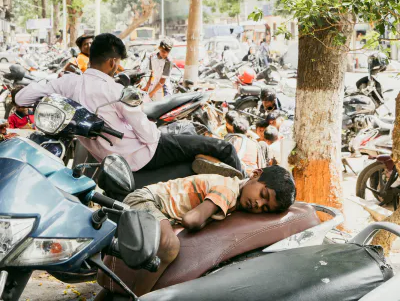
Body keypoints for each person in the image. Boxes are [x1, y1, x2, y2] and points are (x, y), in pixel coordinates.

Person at [16, 33, 243, 178]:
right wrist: (160, 135)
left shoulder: (67, 83)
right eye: (119, 63)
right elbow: (148, 135)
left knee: (185, 137)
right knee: (224, 148)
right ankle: (242, 186)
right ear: (113, 62)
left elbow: (21, 99)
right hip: (142, 155)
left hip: (110, 162)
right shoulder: (115, 91)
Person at [124, 165, 296, 295]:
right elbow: (191, 220)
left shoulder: (237, 195)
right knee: (169, 246)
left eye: (265, 209)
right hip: (146, 201)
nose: (258, 204)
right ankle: (138, 295)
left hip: (158, 211)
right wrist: (204, 222)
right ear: (256, 174)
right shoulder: (228, 190)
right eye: (263, 195)